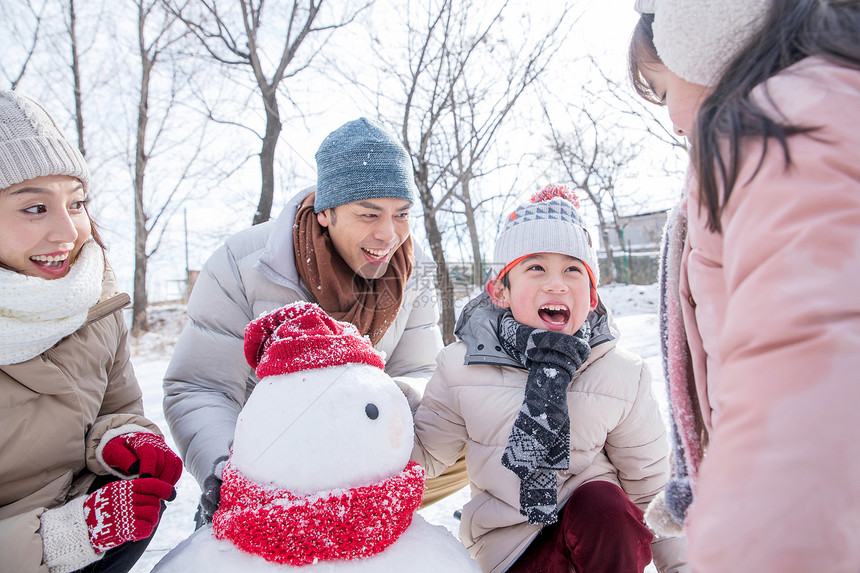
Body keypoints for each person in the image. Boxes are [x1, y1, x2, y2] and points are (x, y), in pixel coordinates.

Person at [628, 0, 860, 570]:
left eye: (662, 93)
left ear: (698, 35)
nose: (672, 119)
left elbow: (807, 370)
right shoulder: (814, 108)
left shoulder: (782, 131)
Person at [163, 117, 466, 528]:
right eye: (368, 214)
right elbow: (200, 386)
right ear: (326, 212)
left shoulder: (414, 271)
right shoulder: (240, 264)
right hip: (268, 466)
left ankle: (371, 531)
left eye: (402, 214)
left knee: (478, 430)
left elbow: (419, 371)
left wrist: (369, 404)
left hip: (367, 452)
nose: (388, 235)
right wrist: (229, 473)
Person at [411, 184, 687, 573]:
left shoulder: (621, 374)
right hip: (511, 551)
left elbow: (652, 488)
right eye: (536, 267)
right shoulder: (461, 368)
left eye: (573, 269)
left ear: (592, 297)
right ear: (499, 291)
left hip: (601, 544)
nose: (556, 283)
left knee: (605, 506)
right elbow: (422, 459)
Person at [0, 91, 182, 573]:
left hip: (79, 516)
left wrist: (119, 441)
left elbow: (116, 408)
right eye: (34, 208)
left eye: (77, 203)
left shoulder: (94, 302)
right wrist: (55, 542)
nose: (68, 231)